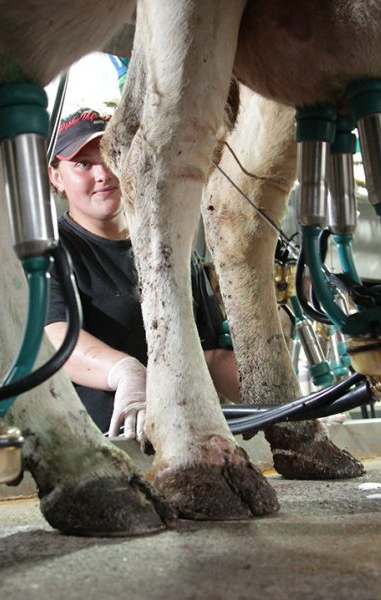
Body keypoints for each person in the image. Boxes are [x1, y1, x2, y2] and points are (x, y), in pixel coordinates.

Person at [46, 108, 239, 443]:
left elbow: (207, 356)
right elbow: (55, 338)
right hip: (96, 447)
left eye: (110, 157)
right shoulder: (51, 251)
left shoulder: (169, 246)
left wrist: (288, 399)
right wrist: (124, 372)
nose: (103, 174)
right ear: (56, 177)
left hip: (183, 442)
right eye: (83, 164)